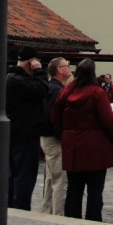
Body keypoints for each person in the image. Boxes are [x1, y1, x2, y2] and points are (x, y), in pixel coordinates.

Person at [51, 57, 113, 222]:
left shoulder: (65, 93)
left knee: (74, 188)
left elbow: (55, 118)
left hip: (73, 146)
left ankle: (71, 221)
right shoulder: (97, 93)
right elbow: (109, 121)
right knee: (95, 190)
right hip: (95, 146)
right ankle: (93, 221)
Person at [6, 45, 49, 210]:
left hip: (17, 133)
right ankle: (20, 209)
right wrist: (39, 71)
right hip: (24, 134)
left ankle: (13, 206)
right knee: (23, 176)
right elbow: (42, 89)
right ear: (31, 62)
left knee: (14, 175)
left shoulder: (12, 78)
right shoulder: (18, 81)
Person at [40, 56, 73, 214]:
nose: (70, 68)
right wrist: (61, 135)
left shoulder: (51, 86)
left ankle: (47, 211)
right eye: (67, 65)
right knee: (59, 179)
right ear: (59, 70)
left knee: (51, 178)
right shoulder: (57, 90)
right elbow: (54, 117)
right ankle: (58, 214)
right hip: (54, 138)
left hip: (48, 137)